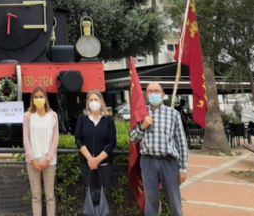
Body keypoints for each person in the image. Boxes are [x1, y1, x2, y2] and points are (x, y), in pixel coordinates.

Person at [130, 83, 188, 216]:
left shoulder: (173, 114)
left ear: (162, 94)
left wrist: (183, 168)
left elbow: (181, 142)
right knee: (151, 200)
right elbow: (133, 139)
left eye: (156, 91)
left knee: (174, 199)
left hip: (169, 162)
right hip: (148, 162)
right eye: (150, 91)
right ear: (146, 95)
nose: (153, 94)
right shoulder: (141, 113)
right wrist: (142, 126)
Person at [75, 90, 117, 214]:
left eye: (96, 99)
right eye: (91, 100)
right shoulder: (82, 119)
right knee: (89, 195)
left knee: (105, 195)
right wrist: (90, 159)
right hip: (86, 164)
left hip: (104, 165)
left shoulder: (108, 120)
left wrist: (97, 160)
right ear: (87, 103)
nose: (94, 102)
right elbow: (78, 139)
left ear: (101, 102)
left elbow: (112, 142)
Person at [23, 87, 59, 216]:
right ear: (32, 99)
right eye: (36, 97)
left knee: (50, 196)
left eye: (41, 96)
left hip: (49, 161)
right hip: (33, 160)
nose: (38, 99)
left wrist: (48, 158)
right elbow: (26, 138)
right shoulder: (27, 116)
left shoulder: (53, 115)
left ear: (45, 99)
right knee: (36, 196)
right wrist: (32, 159)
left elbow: (56, 138)